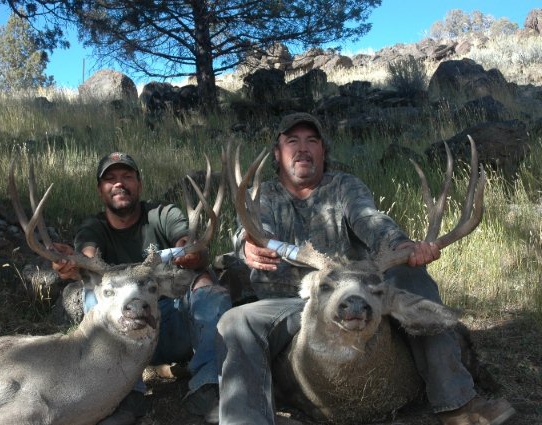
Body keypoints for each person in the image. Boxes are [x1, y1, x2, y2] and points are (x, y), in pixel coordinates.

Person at [215, 113, 515, 425]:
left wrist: (402, 246)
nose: (302, 148)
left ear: (322, 152)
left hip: (358, 294)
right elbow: (250, 231)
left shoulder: (345, 187)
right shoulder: (262, 195)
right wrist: (248, 245)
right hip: (289, 304)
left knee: (411, 277)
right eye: (292, 141)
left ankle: (457, 401)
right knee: (235, 321)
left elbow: (370, 220)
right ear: (277, 153)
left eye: (312, 141)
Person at [52, 151, 231, 425]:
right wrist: (73, 264)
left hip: (172, 327)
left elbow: (188, 242)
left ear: (139, 184)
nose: (119, 184)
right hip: (121, 334)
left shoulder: (162, 214)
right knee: (93, 294)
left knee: (206, 282)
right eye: (110, 179)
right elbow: (87, 254)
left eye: (127, 177)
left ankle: (209, 386)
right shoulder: (93, 227)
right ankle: (125, 393)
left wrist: (190, 251)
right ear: (101, 191)